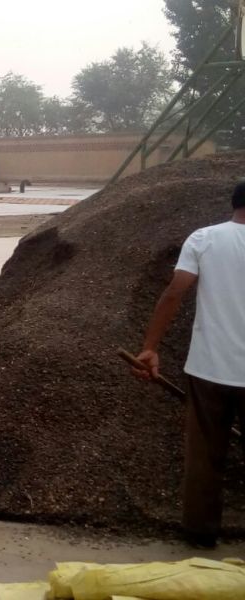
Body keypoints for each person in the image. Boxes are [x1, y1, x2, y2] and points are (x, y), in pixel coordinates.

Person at [132, 180, 245, 549]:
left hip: (211, 368)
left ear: (234, 204)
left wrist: (150, 347)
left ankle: (200, 534)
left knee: (205, 455)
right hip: (214, 368)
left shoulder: (205, 238)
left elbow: (175, 291)